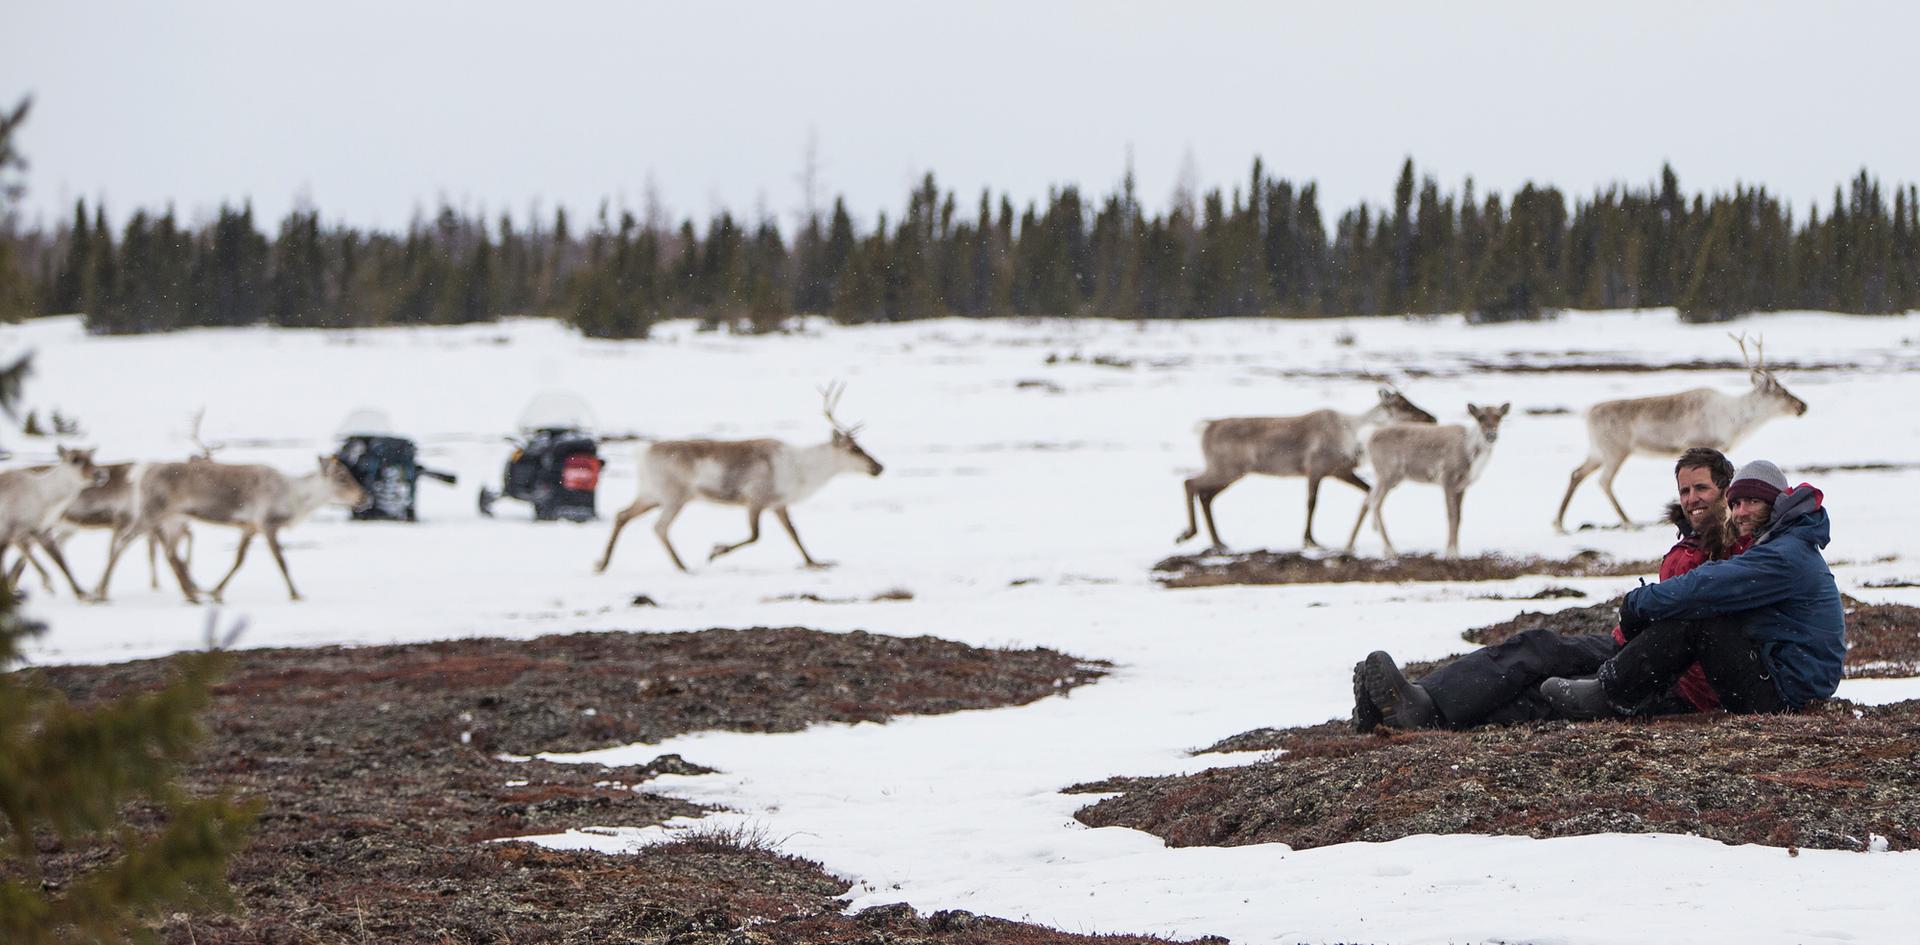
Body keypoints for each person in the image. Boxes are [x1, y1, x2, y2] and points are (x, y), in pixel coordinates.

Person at [1354, 447, 1744, 732]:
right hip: (1638, 648)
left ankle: (1421, 714)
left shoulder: (1732, 543)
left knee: (1544, 695)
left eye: (1702, 489)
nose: (1691, 499)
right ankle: (1411, 704)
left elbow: (1695, 613)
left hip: (1673, 674)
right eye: (1684, 491)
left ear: (1726, 490)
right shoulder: (1692, 539)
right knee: (1536, 646)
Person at [1541, 460, 1844, 717]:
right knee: (1701, 610)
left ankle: (1610, 694)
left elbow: (1706, 585)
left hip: (1784, 696)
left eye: (1752, 501)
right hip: (1784, 680)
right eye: (1736, 503)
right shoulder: (1786, 545)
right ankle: (1623, 691)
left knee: (1698, 615)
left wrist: (1638, 603)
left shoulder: (1783, 555)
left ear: (1776, 503)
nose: (1740, 512)